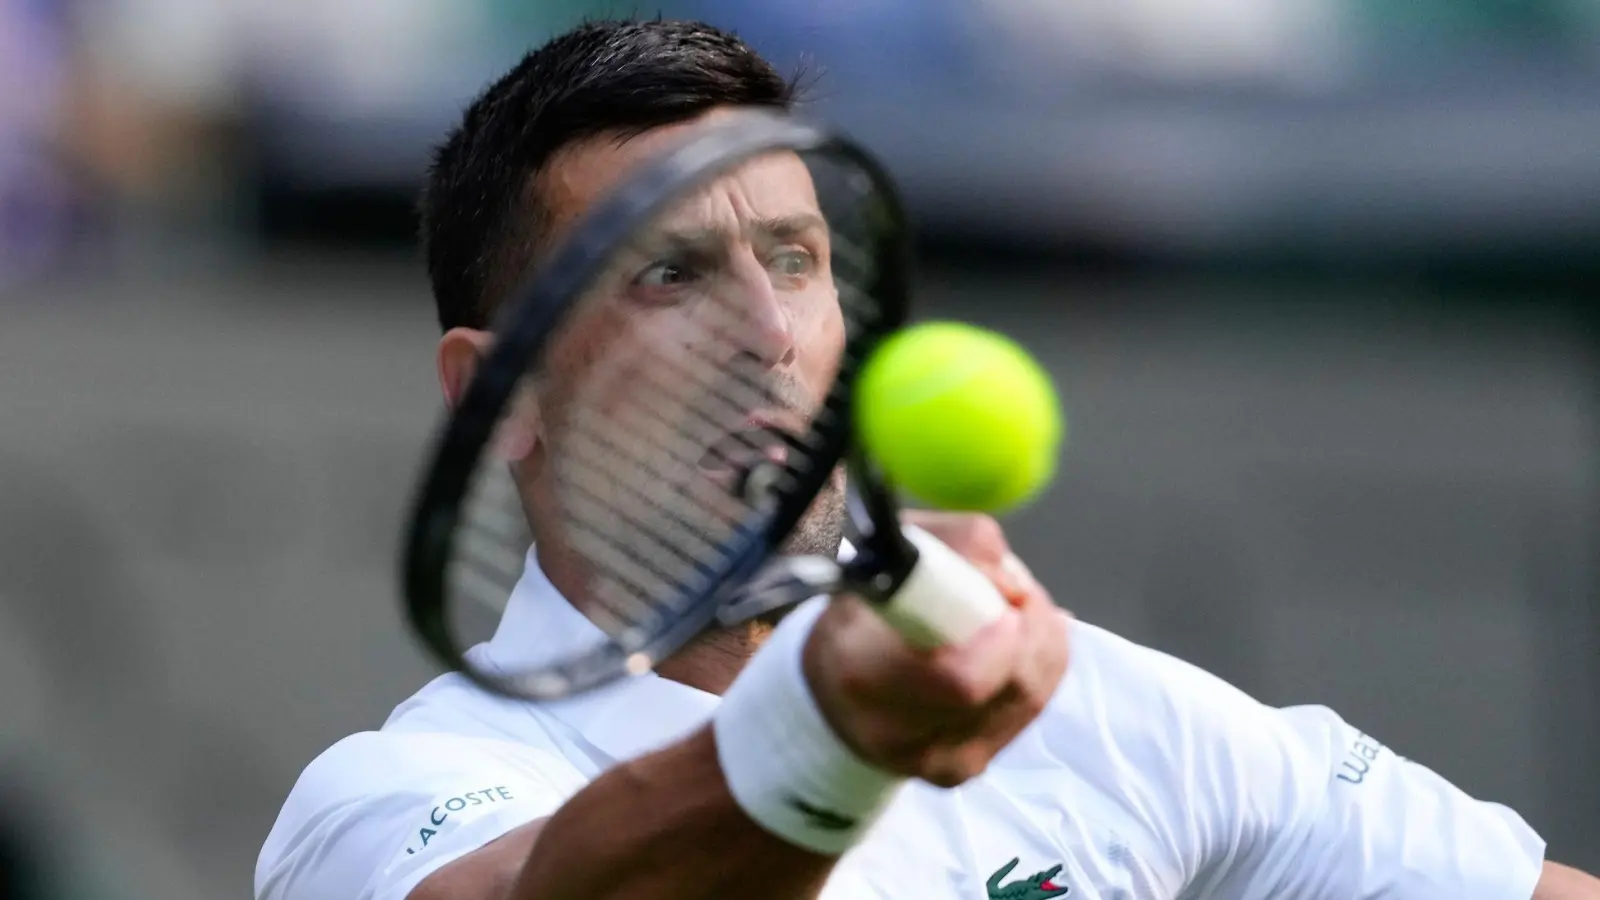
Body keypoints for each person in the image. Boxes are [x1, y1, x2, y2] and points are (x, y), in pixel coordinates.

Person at [254, 19, 1600, 900]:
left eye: (795, 260)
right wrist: (832, 738)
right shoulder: (392, 804)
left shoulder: (1123, 719)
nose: (772, 333)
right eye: (670, 275)